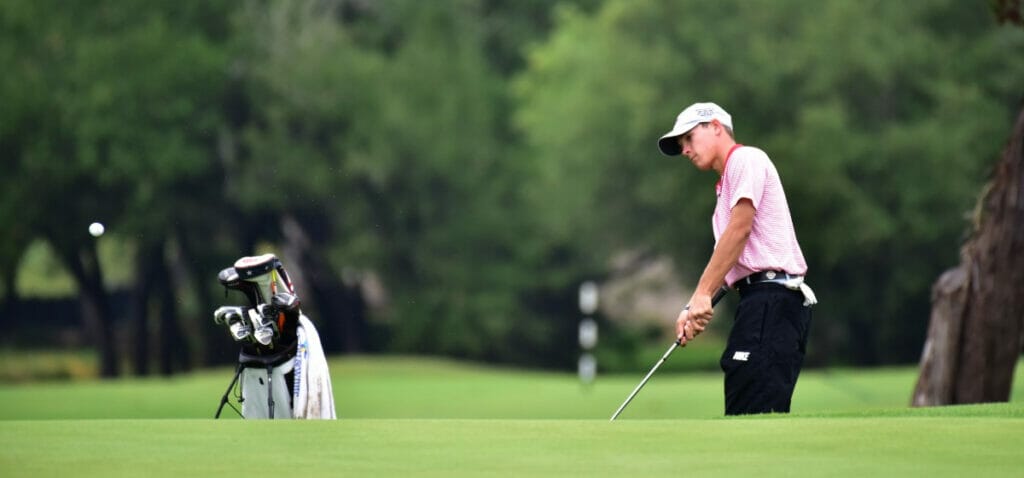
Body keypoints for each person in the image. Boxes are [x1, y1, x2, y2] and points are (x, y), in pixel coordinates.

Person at [657, 102, 817, 415]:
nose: (685, 150)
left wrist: (702, 294)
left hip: (773, 299)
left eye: (688, 138)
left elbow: (739, 230)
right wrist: (694, 307)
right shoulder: (724, 192)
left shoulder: (746, 158)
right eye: (680, 145)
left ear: (715, 126)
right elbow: (731, 264)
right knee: (743, 400)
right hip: (758, 302)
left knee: (754, 410)